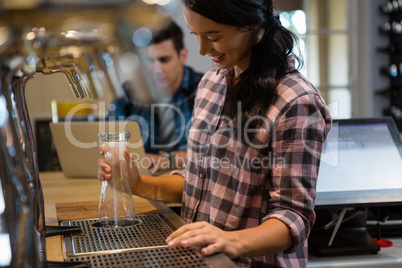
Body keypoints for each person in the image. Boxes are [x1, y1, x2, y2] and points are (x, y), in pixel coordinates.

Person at [99, 0, 332, 267]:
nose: (202, 49)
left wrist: (230, 241)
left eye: (213, 37)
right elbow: (198, 180)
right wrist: (137, 183)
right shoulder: (212, 83)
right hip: (203, 259)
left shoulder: (296, 101)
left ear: (254, 26)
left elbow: (293, 216)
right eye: (195, 35)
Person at [107, 18, 204, 174]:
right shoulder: (127, 95)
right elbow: (110, 148)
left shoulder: (206, 90)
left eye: (164, 60)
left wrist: (167, 160)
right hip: (142, 182)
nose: (157, 70)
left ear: (183, 56)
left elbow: (212, 156)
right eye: (149, 61)